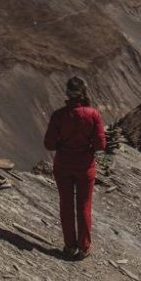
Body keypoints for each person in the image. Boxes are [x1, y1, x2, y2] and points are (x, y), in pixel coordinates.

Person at [43, 76, 106, 260]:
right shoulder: (93, 115)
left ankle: (70, 246)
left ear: (68, 94)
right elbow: (101, 145)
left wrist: (63, 143)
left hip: (63, 165)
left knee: (66, 205)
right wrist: (88, 146)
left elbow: (49, 144)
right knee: (84, 205)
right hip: (85, 166)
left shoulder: (58, 116)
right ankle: (84, 247)